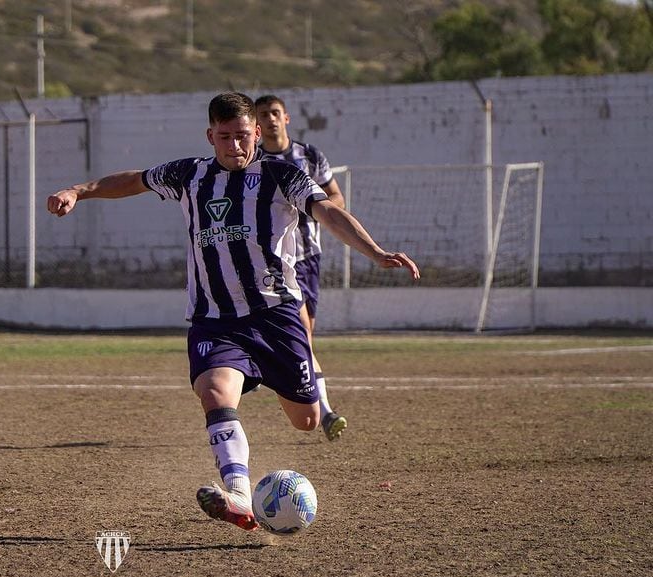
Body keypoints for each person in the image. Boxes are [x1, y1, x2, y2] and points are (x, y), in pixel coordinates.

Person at [46, 92, 419, 531]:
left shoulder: (283, 175)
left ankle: (270, 438)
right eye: (225, 137)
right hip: (215, 319)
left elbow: (328, 212)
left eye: (243, 136)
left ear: (257, 133)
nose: (235, 146)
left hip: (277, 316)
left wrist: (373, 251)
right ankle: (239, 494)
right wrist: (78, 190)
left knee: (306, 419)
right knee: (214, 392)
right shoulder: (190, 174)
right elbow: (134, 180)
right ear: (211, 136)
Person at [255, 94, 347, 441]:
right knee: (303, 334)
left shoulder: (309, 155)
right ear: (257, 124)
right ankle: (324, 410)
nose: (271, 119)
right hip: (274, 260)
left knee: (305, 338)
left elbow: (336, 197)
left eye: (276, 113)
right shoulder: (253, 160)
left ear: (287, 118)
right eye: (264, 115)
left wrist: (311, 205)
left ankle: (310, 399)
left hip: (308, 258)